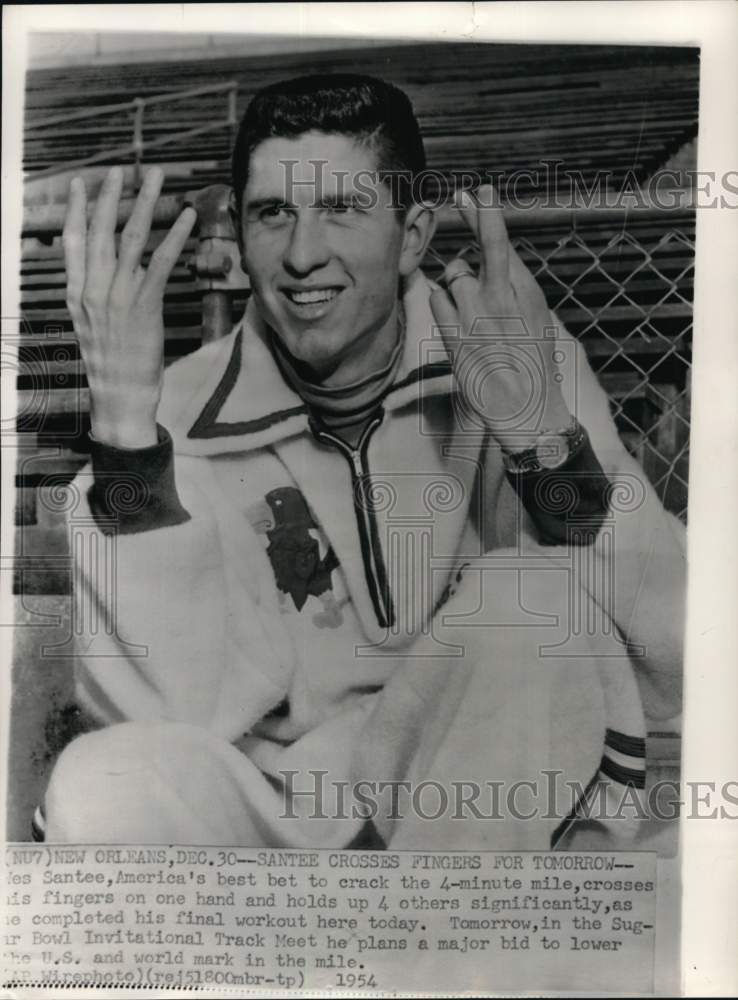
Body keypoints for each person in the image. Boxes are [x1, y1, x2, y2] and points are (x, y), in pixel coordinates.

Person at [43, 74, 684, 849]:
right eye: (273, 214)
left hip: (481, 797)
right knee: (99, 780)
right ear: (242, 240)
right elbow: (162, 715)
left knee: (530, 596)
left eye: (341, 209)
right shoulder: (168, 413)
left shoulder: (516, 359)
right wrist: (122, 435)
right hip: (296, 812)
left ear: (413, 234)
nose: (303, 255)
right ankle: (392, 948)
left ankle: (422, 945)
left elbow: (676, 669)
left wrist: (541, 438)